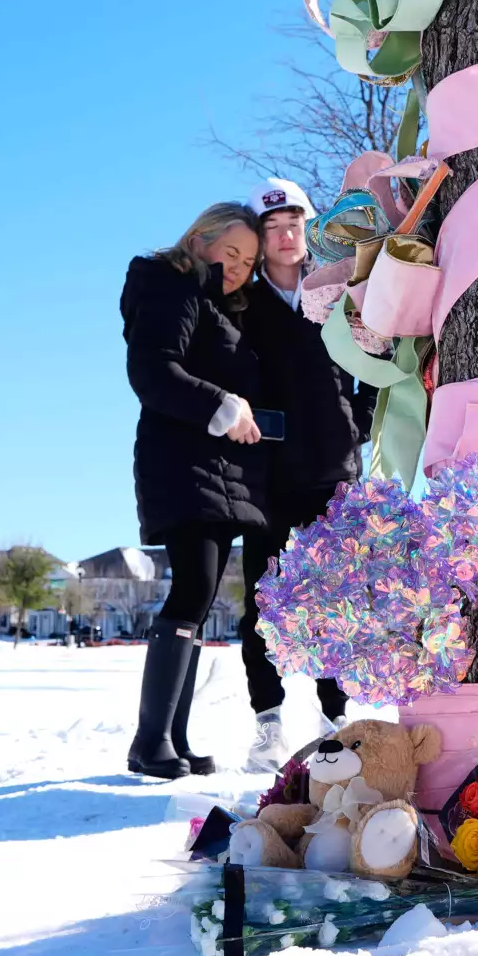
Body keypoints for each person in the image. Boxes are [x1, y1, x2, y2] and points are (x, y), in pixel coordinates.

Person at [120, 202, 268, 780]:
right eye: (229, 252)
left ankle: (172, 739)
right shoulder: (171, 283)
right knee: (193, 586)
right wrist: (220, 405)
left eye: (248, 261)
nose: (237, 266)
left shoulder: (214, 304)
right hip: (178, 461)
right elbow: (152, 371)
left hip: (212, 467)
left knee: (200, 595)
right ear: (199, 239)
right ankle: (149, 741)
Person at [237, 178, 375, 772]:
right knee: (264, 601)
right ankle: (269, 722)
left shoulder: (338, 289)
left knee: (333, 598)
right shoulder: (240, 302)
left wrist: (359, 418)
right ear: (259, 238)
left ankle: (334, 718)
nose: (286, 236)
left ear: (309, 228)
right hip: (267, 477)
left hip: (333, 471)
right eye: (272, 228)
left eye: (294, 224)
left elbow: (377, 352)